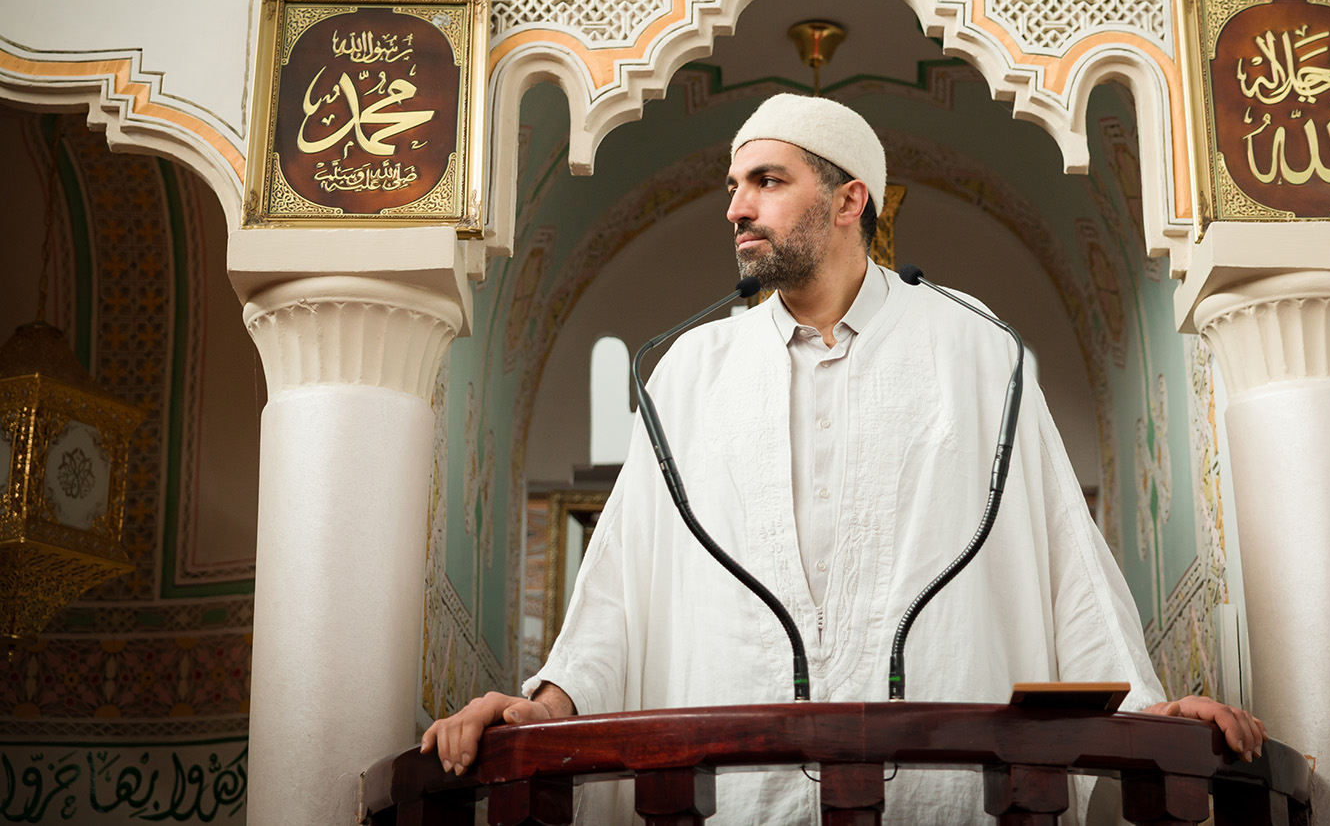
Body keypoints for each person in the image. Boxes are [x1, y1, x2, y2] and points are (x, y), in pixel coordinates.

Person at [423, 94, 1265, 822]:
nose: (736, 208)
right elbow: (617, 585)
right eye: (733, 186)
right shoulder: (688, 374)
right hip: (737, 800)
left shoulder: (976, 350)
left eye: (768, 181)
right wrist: (543, 706)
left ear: (848, 198)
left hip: (941, 798)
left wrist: (1150, 708)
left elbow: (1063, 557)